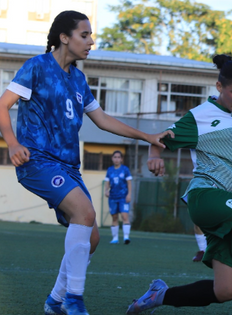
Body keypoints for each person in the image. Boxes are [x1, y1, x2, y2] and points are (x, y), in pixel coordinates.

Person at [0, 11, 173, 315]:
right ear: (64, 37)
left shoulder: (78, 79)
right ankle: (74, 302)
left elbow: (103, 119)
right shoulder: (36, 67)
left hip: (69, 167)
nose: (91, 41)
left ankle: (55, 301)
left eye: (91, 35)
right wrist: (13, 143)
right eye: (85, 34)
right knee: (85, 212)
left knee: (92, 237)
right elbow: (3, 105)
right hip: (37, 161)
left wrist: (148, 136)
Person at [126, 54, 232, 314]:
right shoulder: (199, 116)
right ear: (219, 87)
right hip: (205, 195)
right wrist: (154, 157)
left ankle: (157, 296)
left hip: (228, 203)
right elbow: (160, 139)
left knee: (225, 291)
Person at [104, 150, 133, 244]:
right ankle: (115, 238)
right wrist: (106, 190)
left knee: (125, 216)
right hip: (112, 197)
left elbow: (129, 183)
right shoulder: (110, 170)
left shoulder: (125, 169)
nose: (117, 159)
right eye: (115, 157)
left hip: (123, 197)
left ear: (121, 159)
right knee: (114, 217)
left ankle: (126, 237)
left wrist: (129, 194)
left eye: (118, 157)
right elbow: (107, 182)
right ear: (112, 158)